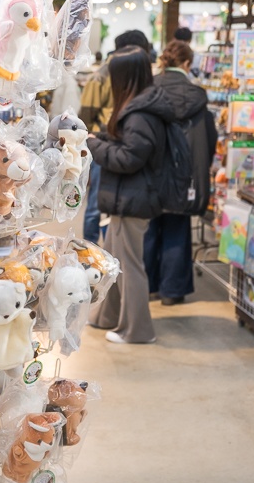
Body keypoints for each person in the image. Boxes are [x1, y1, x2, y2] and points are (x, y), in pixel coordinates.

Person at [142, 40, 216, 305]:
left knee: (149, 230)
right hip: (185, 177)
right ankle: (172, 292)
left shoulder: (148, 90)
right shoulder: (197, 97)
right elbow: (208, 139)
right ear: (187, 64)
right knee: (177, 228)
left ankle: (147, 287)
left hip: (150, 173)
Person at [78, 30, 153, 244]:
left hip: (122, 145)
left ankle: (109, 251)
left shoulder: (135, 75)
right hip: (103, 145)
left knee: (113, 206)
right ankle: (89, 251)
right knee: (96, 204)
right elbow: (86, 114)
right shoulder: (101, 76)